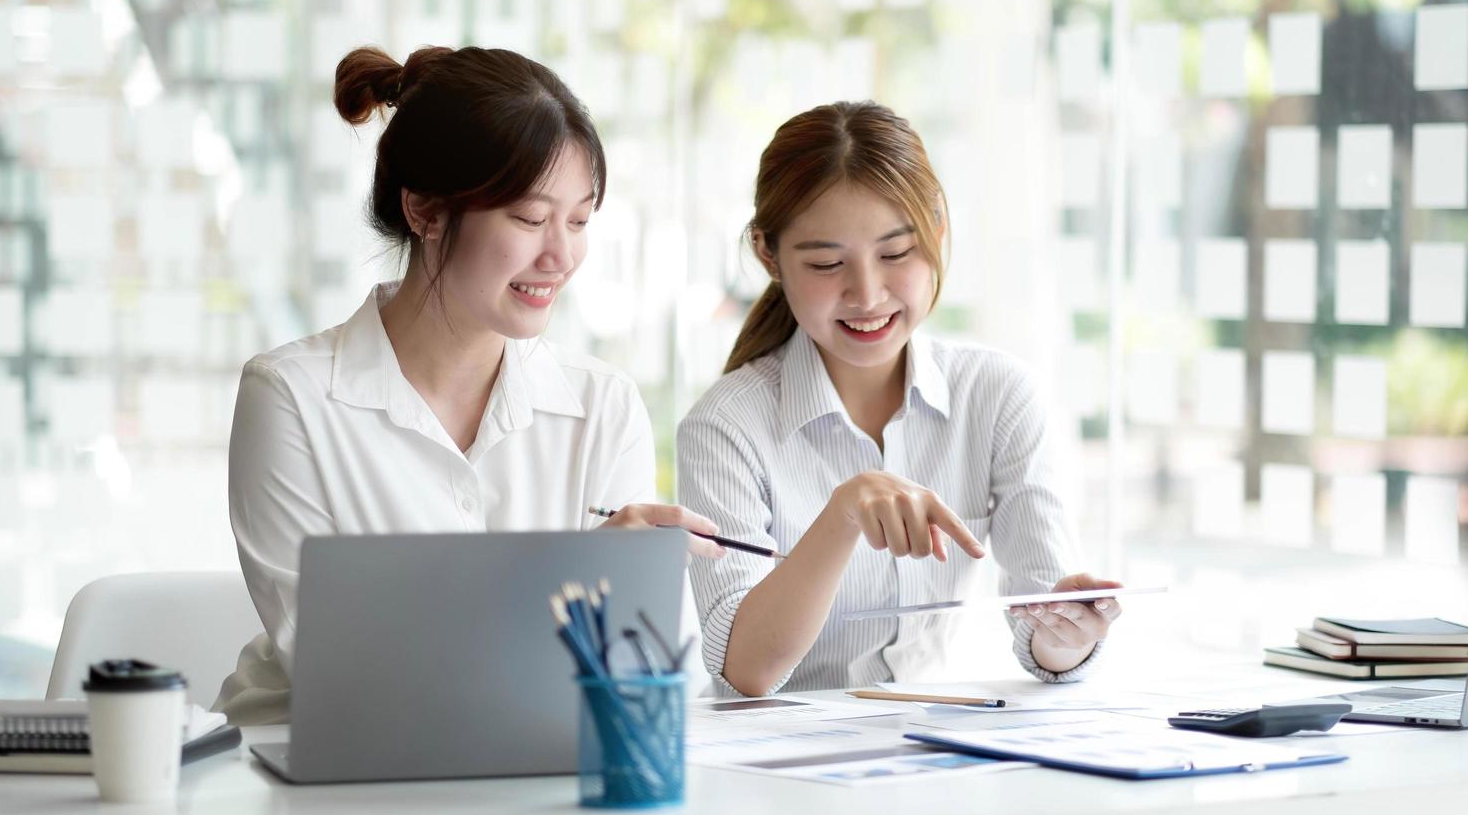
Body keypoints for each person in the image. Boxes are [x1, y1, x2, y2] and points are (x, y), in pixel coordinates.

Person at [215, 44, 722, 724]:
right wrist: (572, 591)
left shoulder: (601, 406)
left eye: (579, 221)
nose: (561, 256)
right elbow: (343, 671)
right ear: (424, 212)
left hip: (534, 767)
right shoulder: (291, 399)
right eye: (529, 218)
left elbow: (661, 681)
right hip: (319, 772)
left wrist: (632, 590)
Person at [678, 101, 1122, 697]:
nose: (867, 293)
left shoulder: (998, 397)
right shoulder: (726, 425)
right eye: (826, 262)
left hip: (928, 748)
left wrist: (1069, 635)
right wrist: (843, 514)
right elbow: (745, 670)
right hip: (772, 768)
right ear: (769, 255)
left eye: (895, 254)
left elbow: (1044, 616)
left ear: (938, 232)